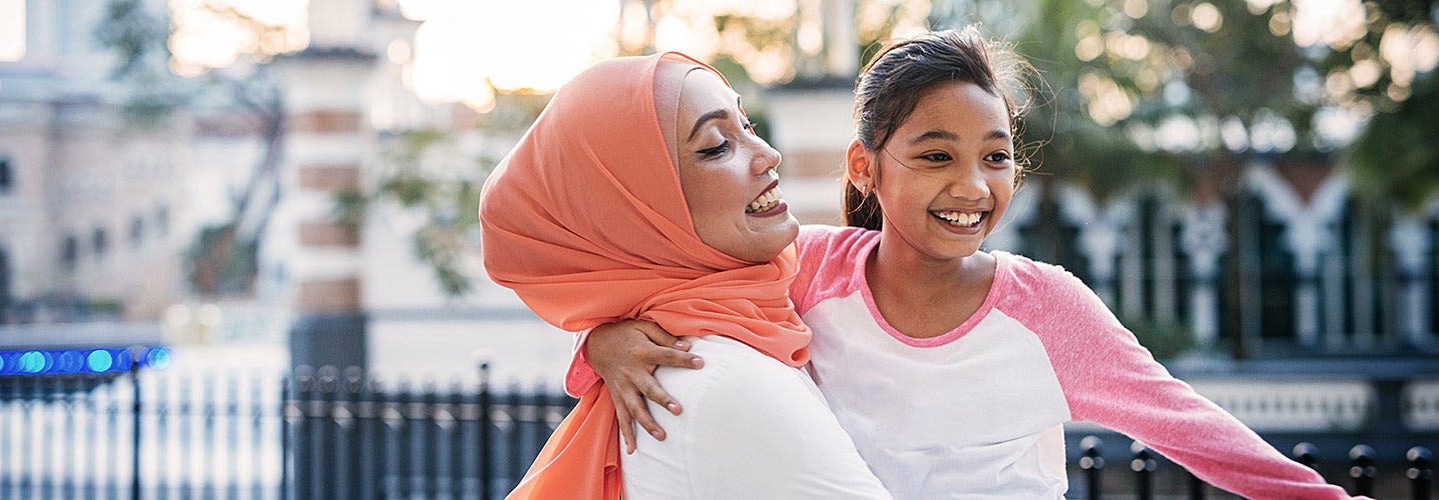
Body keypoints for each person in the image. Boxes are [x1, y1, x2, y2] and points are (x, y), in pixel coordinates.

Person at [581, 27, 1362, 499]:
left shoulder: (1047, 307)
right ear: (865, 167)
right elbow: (676, 294)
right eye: (935, 155)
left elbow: (1197, 431)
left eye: (997, 157)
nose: (973, 186)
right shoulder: (810, 269)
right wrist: (605, 340)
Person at [479, 52, 892, 499]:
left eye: (747, 125)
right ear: (637, 211)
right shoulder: (718, 380)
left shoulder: (722, 326)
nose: (768, 154)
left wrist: (601, 337)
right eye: (717, 146)